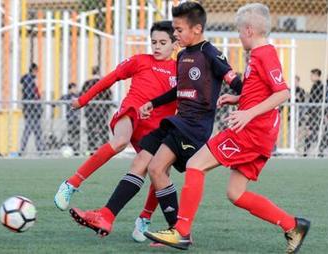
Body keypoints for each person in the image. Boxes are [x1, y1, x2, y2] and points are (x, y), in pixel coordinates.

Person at [68, 2, 242, 242]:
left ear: (197, 29)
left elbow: (237, 82)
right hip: (177, 122)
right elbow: (179, 90)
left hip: (194, 128)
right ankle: (106, 216)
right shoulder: (183, 55)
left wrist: (240, 99)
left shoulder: (211, 54)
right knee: (142, 162)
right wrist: (155, 103)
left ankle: (179, 232)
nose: (176, 34)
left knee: (156, 168)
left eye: (179, 30)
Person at [144, 4, 310, 253]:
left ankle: (182, 231)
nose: (239, 36)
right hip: (258, 133)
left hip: (251, 133)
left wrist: (248, 113)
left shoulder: (265, 54)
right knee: (236, 193)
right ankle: (293, 226)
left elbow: (283, 92)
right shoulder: (257, 55)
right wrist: (238, 100)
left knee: (194, 165)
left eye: (239, 31)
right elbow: (259, 91)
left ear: (249, 30)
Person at [54, 22, 180, 240]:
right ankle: (71, 183)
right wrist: (83, 100)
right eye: (153, 42)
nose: (157, 47)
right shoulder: (140, 60)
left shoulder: (180, 70)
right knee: (120, 141)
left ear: (175, 44)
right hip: (131, 112)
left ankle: (144, 219)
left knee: (159, 171)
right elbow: (110, 78)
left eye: (162, 43)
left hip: (157, 127)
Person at [82, 67, 113, 153]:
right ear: (99, 72)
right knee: (103, 129)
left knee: (91, 128)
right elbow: (109, 96)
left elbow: (82, 95)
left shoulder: (87, 83)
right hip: (102, 109)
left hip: (90, 109)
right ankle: (105, 148)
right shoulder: (104, 82)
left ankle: (91, 148)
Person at [20, 63, 44, 155]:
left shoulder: (28, 80)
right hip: (32, 110)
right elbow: (31, 96)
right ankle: (38, 150)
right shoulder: (29, 80)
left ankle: (39, 150)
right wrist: (36, 107)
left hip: (31, 109)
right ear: (34, 70)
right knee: (31, 130)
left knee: (34, 130)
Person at [304, 68, 324, 155]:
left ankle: (307, 150)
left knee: (311, 130)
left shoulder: (318, 86)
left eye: (312, 75)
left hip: (315, 112)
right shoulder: (317, 86)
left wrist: (309, 112)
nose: (310, 77)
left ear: (316, 75)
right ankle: (318, 149)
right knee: (314, 131)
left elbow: (314, 100)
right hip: (315, 111)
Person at [60, 83, 81, 153]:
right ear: (70, 89)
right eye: (74, 88)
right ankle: (71, 148)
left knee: (77, 134)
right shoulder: (67, 96)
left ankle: (77, 149)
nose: (76, 90)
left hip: (77, 118)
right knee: (71, 134)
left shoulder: (78, 95)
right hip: (70, 118)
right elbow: (59, 100)